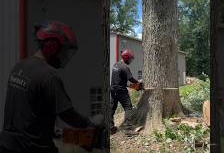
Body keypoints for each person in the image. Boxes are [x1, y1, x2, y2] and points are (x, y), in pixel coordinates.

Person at [0, 21, 104, 153]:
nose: (64, 56)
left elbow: (27, 108)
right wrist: (90, 122)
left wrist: (52, 129)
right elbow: (67, 114)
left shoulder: (20, 66)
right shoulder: (49, 75)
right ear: (52, 47)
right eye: (64, 51)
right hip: (33, 147)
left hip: (8, 145)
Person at [110, 49, 142, 135]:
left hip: (113, 90)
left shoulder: (116, 65)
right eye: (130, 59)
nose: (131, 61)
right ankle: (128, 129)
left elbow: (122, 81)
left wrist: (134, 87)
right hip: (121, 91)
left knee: (111, 109)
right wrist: (138, 83)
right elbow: (131, 79)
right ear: (126, 57)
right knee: (128, 108)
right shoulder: (125, 67)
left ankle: (110, 128)